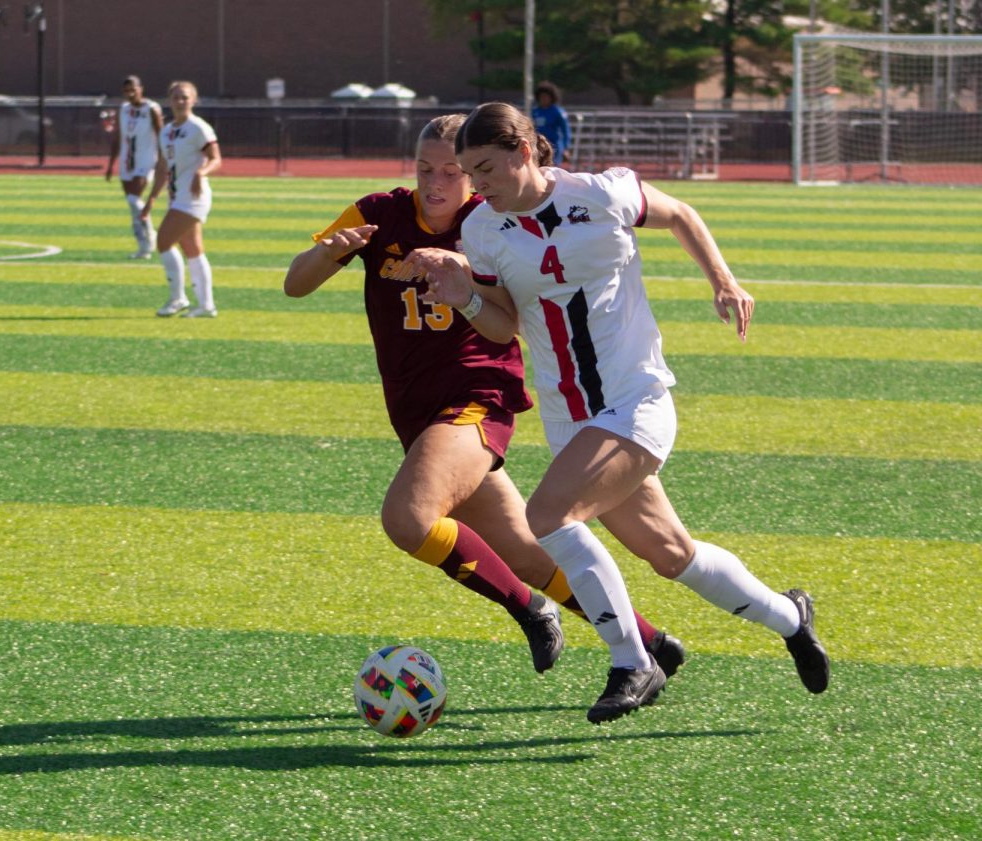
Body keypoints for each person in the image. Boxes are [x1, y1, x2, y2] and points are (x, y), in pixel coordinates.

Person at [409, 102, 830, 723]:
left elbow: (682, 214)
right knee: (669, 553)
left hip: (636, 398)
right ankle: (791, 617)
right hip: (569, 418)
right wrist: (467, 295)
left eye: (486, 169)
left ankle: (633, 660)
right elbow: (503, 329)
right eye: (471, 173)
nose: (478, 186)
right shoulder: (483, 232)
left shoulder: (602, 192)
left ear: (526, 152)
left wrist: (723, 280)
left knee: (547, 514)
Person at [283, 114, 685, 678]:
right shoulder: (378, 211)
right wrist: (331, 252)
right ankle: (653, 642)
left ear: (474, 176)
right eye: (425, 169)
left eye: (451, 171)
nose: (435, 182)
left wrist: (466, 269)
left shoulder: (493, 223)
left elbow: (532, 300)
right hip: (414, 410)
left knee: (409, 519)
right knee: (526, 552)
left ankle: (533, 613)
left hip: (476, 397)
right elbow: (294, 283)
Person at [143, 80, 220, 318]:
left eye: (185, 97)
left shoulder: (199, 128)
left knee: (164, 242)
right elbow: (163, 166)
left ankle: (178, 299)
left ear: (193, 100)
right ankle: (206, 305)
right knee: (193, 250)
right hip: (177, 197)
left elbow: (216, 159)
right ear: (169, 100)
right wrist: (152, 198)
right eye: (176, 97)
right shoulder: (166, 131)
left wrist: (201, 172)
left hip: (193, 197)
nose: (180, 101)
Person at [106, 75, 164, 260]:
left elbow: (161, 135)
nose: (129, 92)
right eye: (126, 90)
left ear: (141, 89)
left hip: (146, 161)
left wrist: (164, 161)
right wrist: (110, 164)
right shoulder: (123, 109)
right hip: (126, 162)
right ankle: (144, 241)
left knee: (134, 200)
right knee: (132, 205)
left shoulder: (151, 109)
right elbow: (117, 137)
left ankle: (147, 241)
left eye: (133, 88)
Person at [531, 82, 570, 168]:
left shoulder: (558, 112)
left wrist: (566, 148)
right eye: (541, 97)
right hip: (539, 146)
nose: (543, 99)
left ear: (551, 98)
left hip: (554, 146)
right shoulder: (535, 112)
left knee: (552, 170)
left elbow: (565, 130)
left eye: (546, 97)